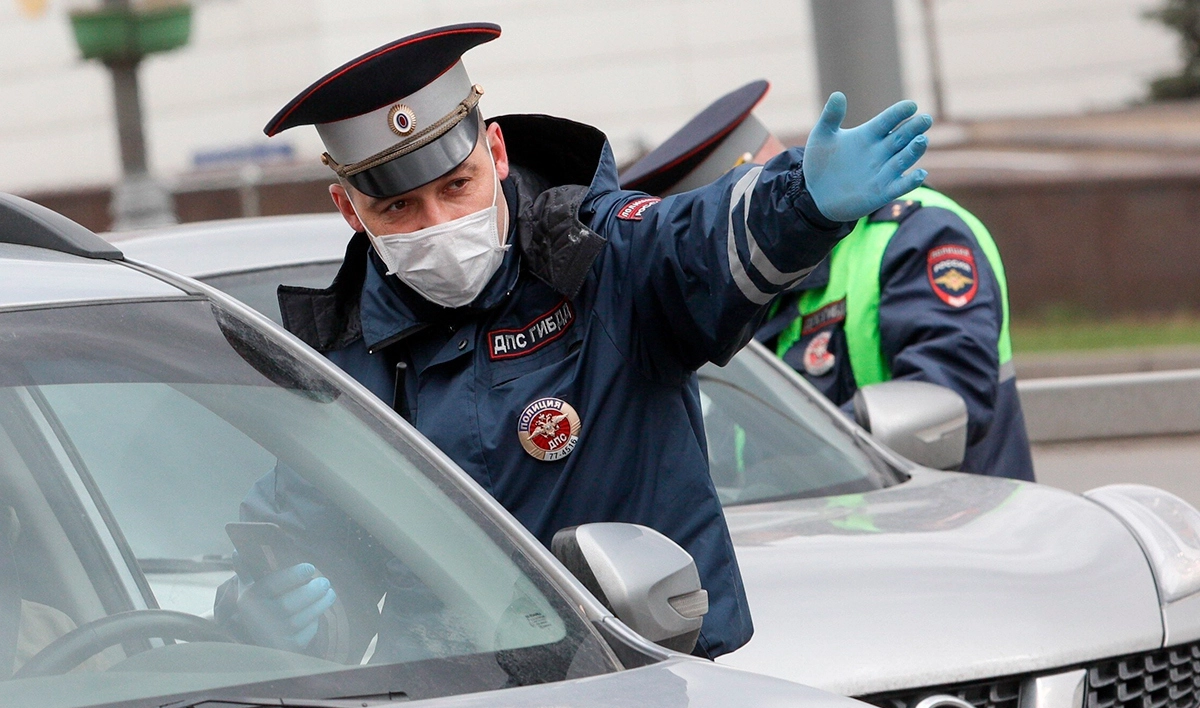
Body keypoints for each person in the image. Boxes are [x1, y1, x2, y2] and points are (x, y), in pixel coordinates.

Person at [220, 22, 932, 659]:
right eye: (399, 206)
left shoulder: (597, 256)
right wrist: (265, 614)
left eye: (457, 185)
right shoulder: (345, 357)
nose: (438, 222)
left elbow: (693, 244)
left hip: (651, 677)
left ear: (494, 151)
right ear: (348, 208)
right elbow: (302, 548)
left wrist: (798, 204)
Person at [622, 81, 1034, 480]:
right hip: (812, 536)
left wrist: (777, 477)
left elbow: (946, 402)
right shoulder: (731, 297)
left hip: (946, 530)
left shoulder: (913, 234)